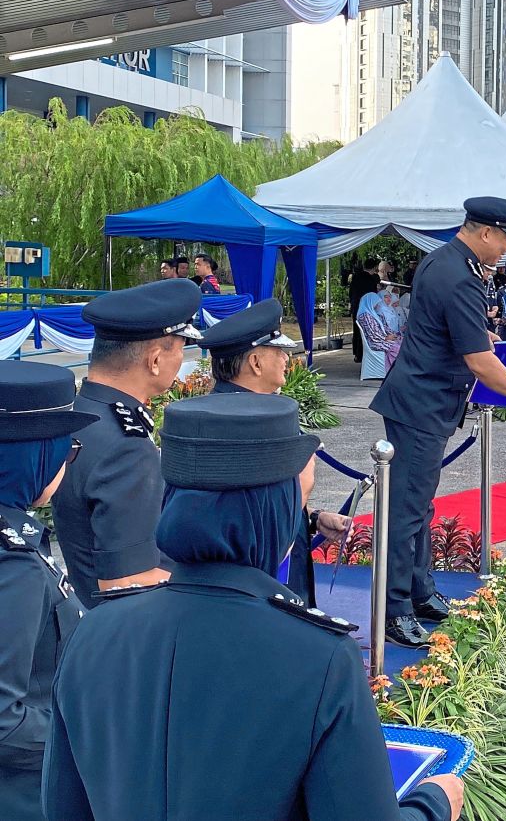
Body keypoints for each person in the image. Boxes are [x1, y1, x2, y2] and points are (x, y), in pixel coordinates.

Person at [41, 393, 464, 821]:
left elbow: (62, 807)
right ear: (275, 512)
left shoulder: (92, 632)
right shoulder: (318, 655)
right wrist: (432, 804)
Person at [370, 197, 506, 648]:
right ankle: (394, 609)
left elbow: (439, 328)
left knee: (418, 507)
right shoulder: (460, 276)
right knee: (406, 511)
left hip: (420, 402)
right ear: (485, 232)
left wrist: (474, 332)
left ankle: (419, 591)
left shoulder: (444, 261)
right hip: (422, 404)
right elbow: (480, 362)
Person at [52, 278, 202, 608]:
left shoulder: (82, 413)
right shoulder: (126, 446)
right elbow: (126, 581)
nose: (181, 358)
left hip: (88, 611)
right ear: (155, 360)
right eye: (180, 347)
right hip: (127, 625)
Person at [199, 299, 349, 607]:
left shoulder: (240, 413)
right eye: (278, 351)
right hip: (257, 599)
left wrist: (312, 518)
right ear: (255, 362)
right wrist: (301, 491)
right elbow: (242, 522)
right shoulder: (244, 425)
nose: (286, 358)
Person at [0, 362, 98, 821]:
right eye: (67, 449)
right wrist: (90, 732)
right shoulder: (13, 566)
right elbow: (3, 719)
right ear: (35, 456)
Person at [357, 291, 403, 373]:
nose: (377, 304)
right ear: (370, 302)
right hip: (375, 342)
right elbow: (373, 333)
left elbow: (383, 327)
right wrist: (386, 338)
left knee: (402, 341)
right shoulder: (365, 316)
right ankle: (396, 371)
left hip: (381, 339)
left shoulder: (372, 313)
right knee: (398, 348)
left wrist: (393, 334)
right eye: (376, 302)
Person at [348, 259, 381, 363]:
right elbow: (373, 295)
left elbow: (351, 292)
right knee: (367, 330)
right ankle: (363, 353)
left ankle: (357, 354)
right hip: (367, 308)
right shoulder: (372, 279)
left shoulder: (356, 277)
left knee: (356, 330)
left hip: (356, 306)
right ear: (374, 267)